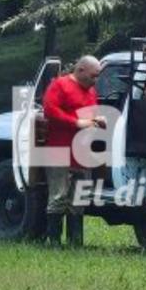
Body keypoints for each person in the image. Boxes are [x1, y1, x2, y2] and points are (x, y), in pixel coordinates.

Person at [42, 55, 104, 247]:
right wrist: (75, 122)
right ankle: (54, 242)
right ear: (81, 70)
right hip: (60, 150)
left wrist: (97, 121)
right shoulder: (60, 85)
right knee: (59, 196)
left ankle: (75, 242)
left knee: (79, 198)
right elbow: (50, 109)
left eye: (97, 77)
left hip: (82, 154)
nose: (95, 80)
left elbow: (90, 115)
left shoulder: (91, 92)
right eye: (93, 76)